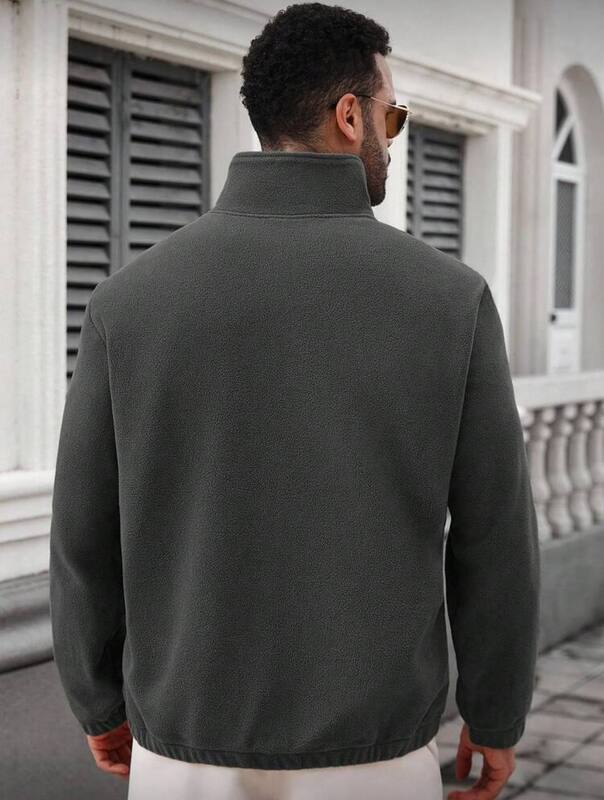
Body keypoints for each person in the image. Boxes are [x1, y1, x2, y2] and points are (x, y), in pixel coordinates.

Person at [48, 3, 541, 799]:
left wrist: (96, 699)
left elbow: (83, 536)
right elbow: (494, 536)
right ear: (351, 116)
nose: (394, 139)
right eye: (394, 117)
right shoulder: (450, 301)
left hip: (183, 755)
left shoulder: (127, 303)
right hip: (374, 758)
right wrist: (496, 711)